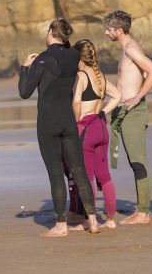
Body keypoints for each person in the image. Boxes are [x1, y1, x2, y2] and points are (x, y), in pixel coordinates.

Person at [19, 18, 99, 237]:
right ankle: (93, 221)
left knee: (56, 173)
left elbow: (24, 92)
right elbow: (65, 51)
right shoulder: (74, 55)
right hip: (68, 120)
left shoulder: (43, 60)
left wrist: (25, 67)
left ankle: (61, 225)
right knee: (79, 170)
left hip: (48, 121)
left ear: (51, 32)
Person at [103, 10, 152, 225]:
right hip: (124, 112)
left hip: (133, 112)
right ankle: (140, 210)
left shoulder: (132, 48)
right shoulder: (126, 49)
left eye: (108, 29)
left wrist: (137, 97)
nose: (106, 32)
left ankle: (143, 213)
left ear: (119, 30)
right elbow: (143, 75)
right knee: (133, 161)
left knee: (138, 161)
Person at [66, 39, 122, 230]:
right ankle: (111, 219)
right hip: (100, 127)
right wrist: (104, 112)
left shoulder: (81, 75)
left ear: (78, 57)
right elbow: (117, 96)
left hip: (86, 128)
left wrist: (76, 120)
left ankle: (89, 220)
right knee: (104, 176)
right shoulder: (100, 75)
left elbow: (76, 101)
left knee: (86, 177)